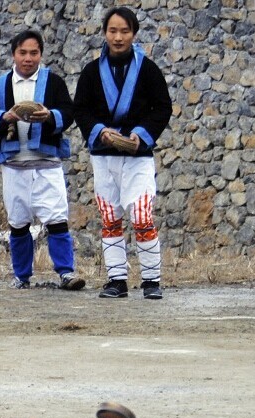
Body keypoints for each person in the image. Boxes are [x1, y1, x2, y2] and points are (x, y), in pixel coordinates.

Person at [73, 7, 171, 300]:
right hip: (104, 156)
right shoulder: (92, 72)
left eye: (124, 31)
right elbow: (81, 109)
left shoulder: (148, 69)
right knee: (110, 217)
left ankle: (151, 280)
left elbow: (162, 108)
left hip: (137, 157)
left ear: (134, 34)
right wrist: (101, 131)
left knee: (142, 216)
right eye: (113, 31)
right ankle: (117, 279)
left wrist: (140, 134)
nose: (118, 37)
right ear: (104, 33)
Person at [0, 30, 86, 291]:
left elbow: (68, 112)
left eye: (34, 53)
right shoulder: (1, 84)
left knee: (57, 218)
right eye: (22, 53)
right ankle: (22, 275)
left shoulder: (53, 82)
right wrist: (5, 119)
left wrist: (50, 116)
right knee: (18, 221)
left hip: (47, 162)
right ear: (13, 54)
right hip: (15, 164)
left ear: (41, 54)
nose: (28, 58)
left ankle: (66, 273)